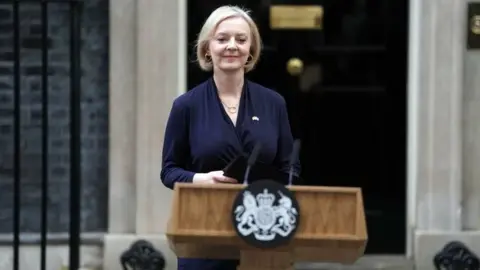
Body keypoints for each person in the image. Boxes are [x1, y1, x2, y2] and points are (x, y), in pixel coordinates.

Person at [160, 5, 301, 270]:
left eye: (241, 39)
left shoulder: (273, 103)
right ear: (206, 48)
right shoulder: (186, 106)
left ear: (251, 49)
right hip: (203, 229)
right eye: (222, 39)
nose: (232, 46)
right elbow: (169, 172)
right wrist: (202, 179)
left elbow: (289, 165)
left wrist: (279, 183)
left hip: (263, 228)